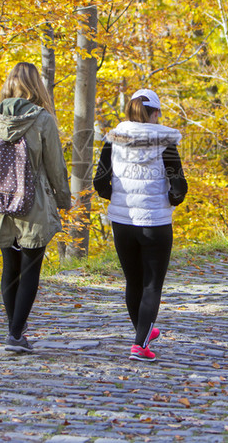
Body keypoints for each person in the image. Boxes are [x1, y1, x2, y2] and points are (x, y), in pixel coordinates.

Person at [0, 62, 71, 353]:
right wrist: (63, 201)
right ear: (35, 85)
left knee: (9, 267)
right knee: (30, 269)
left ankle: (15, 329)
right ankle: (16, 333)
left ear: (10, 84)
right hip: (34, 204)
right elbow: (55, 167)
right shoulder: (43, 120)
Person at [94, 89, 188, 362]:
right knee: (151, 285)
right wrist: (172, 199)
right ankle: (140, 345)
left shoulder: (113, 140)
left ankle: (142, 331)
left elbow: (100, 182)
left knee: (133, 281)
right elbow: (179, 186)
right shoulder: (165, 143)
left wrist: (119, 198)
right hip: (155, 223)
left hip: (122, 223)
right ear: (154, 113)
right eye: (159, 112)